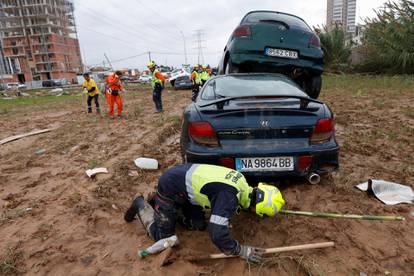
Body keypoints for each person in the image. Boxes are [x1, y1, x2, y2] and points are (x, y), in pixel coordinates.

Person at [124, 163, 285, 263]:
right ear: (256, 209)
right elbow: (216, 233)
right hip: (171, 187)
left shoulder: (242, 181)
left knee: (197, 224)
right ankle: (141, 205)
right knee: (162, 235)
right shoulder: (229, 197)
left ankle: (164, 206)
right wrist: (239, 250)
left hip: (184, 184)